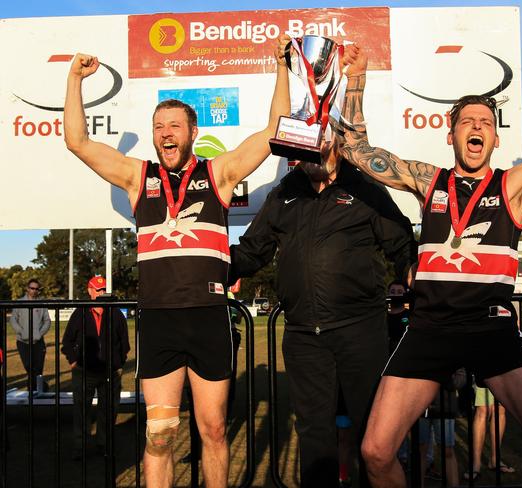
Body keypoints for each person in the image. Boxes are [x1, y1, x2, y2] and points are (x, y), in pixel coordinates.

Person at [337, 23, 522, 488]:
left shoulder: (514, 185)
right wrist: (357, 76)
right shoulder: (429, 180)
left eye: (485, 123)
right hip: (429, 328)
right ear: (451, 135)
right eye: (467, 122)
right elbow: (354, 148)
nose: (476, 128)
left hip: (491, 329)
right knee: (375, 451)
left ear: (496, 139)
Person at [63, 36, 289, 487]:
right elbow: (77, 141)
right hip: (160, 321)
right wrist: (74, 80)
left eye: (174, 126)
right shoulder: (136, 177)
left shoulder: (218, 173)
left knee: (214, 431)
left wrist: (283, 68)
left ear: (192, 131)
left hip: (209, 321)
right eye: (159, 126)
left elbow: (273, 132)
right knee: (160, 436)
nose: (165, 133)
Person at [228, 150, 417, 486]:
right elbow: (252, 250)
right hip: (303, 335)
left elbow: (401, 243)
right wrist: (209, 265)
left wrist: (414, 273)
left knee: (369, 432)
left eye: (323, 142)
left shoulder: (366, 187)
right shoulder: (284, 193)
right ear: (295, 152)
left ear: (338, 146)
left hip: (360, 331)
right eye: (307, 146)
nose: (316, 153)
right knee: (315, 435)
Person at [61, 275, 130, 459]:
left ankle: (104, 445)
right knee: (81, 411)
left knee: (107, 411)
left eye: (103, 289)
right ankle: (80, 447)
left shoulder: (115, 313)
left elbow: (124, 343)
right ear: (89, 290)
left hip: (109, 372)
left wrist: (118, 363)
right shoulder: (80, 313)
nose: (101, 293)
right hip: (84, 371)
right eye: (97, 289)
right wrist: (74, 361)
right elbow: (67, 341)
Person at [10, 279, 51, 392]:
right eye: (32, 288)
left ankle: (35, 392)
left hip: (38, 342)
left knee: (38, 369)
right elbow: (13, 320)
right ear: (27, 288)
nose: (34, 290)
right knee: (29, 368)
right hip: (23, 342)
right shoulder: (19, 302)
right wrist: (22, 332)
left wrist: (39, 334)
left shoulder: (41, 303)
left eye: (36, 289)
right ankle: (38, 389)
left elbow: (47, 321)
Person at [465, 386, 514, 481]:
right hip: (483, 373)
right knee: (482, 410)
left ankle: (495, 460)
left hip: (502, 374)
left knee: (500, 409)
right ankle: (476, 464)